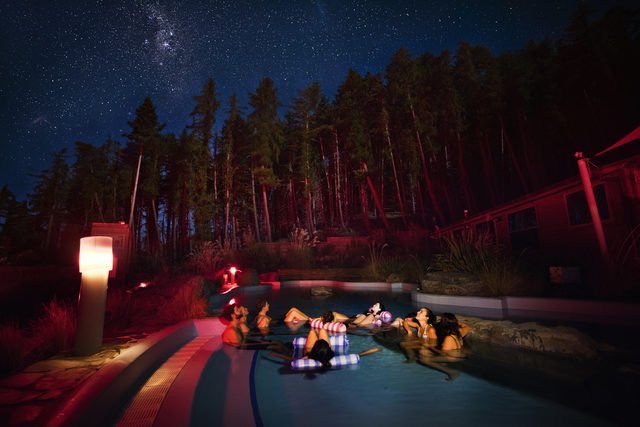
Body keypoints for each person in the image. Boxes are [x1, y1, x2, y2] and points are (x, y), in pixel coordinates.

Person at [284, 307, 349, 324]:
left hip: (309, 319)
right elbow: (334, 314)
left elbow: (334, 314)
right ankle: (282, 322)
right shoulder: (346, 319)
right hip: (308, 319)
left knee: (293, 311)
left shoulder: (342, 318)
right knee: (293, 310)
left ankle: (282, 321)